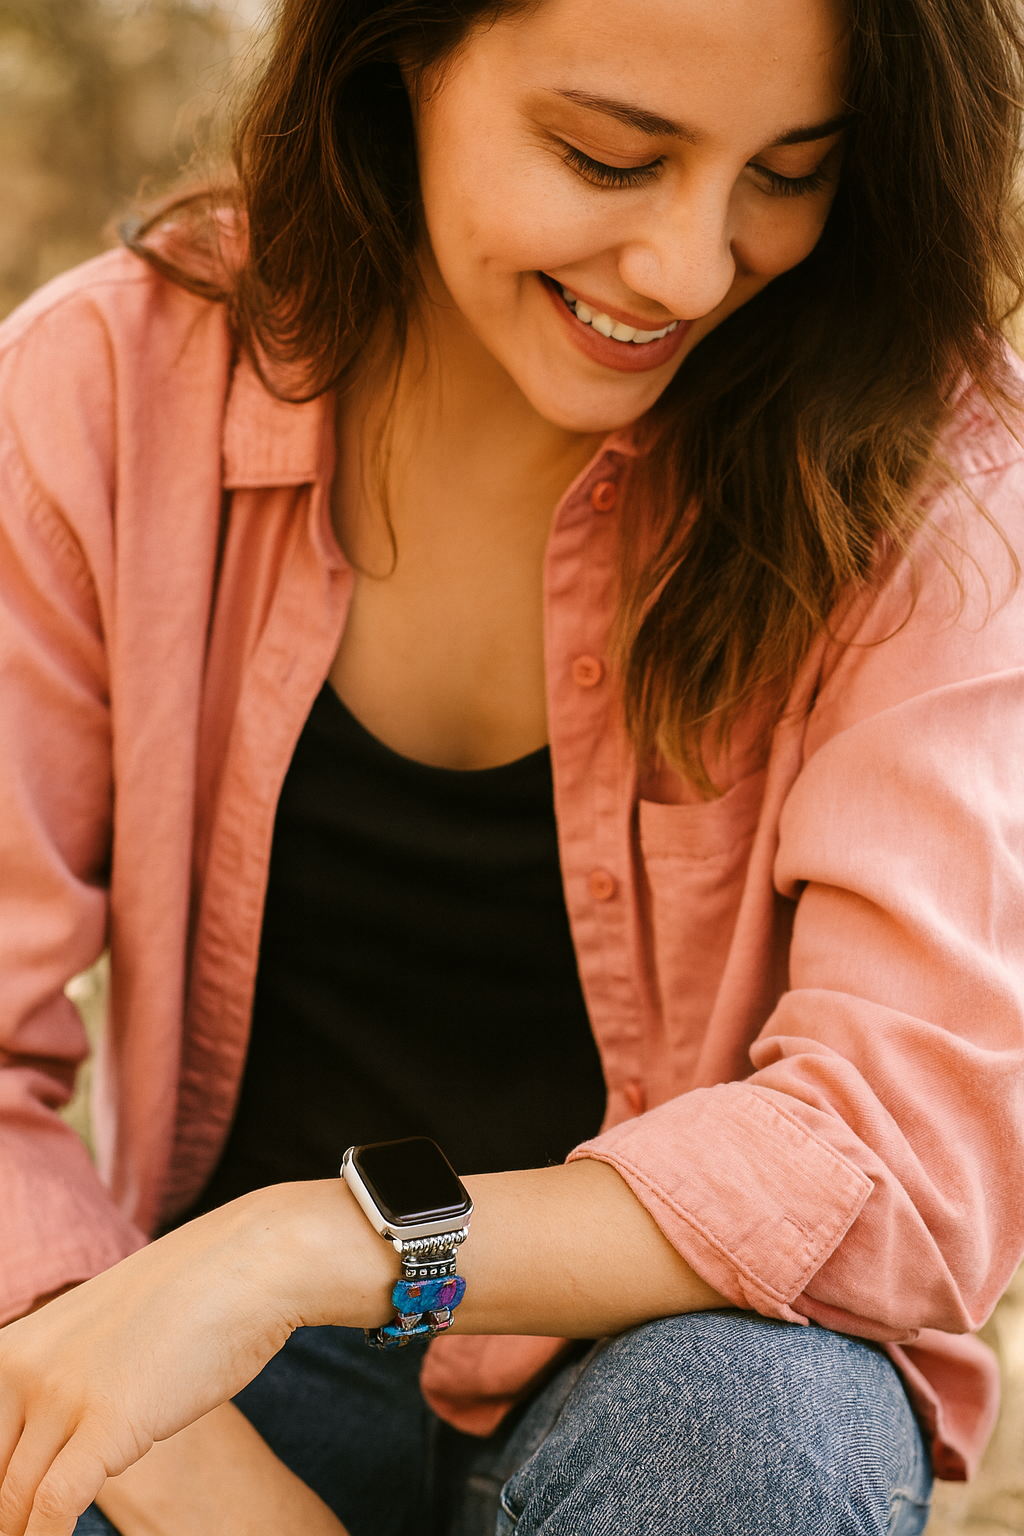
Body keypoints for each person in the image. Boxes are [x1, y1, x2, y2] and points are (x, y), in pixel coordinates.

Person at [1, 0, 1023, 1529]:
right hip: (220, 1376)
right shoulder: (106, 393)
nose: (689, 268)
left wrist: (311, 1246)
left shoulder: (945, 485)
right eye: (609, 157)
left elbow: (902, 1146)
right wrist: (197, 1473)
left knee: (755, 1425)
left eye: (789, 173)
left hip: (670, 1383)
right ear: (401, 48)